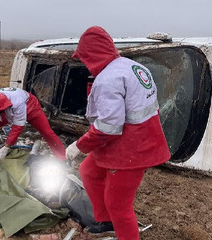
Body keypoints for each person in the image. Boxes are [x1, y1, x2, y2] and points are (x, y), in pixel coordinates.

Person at [65, 26, 171, 240]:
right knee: (89, 170)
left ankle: (119, 225)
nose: (84, 63)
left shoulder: (107, 80)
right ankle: (106, 221)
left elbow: (108, 127)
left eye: (84, 57)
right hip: (141, 138)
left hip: (130, 149)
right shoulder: (132, 67)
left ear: (92, 55)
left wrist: (79, 146)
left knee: (119, 206)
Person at [0, 87, 66, 161]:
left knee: (47, 132)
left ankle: (62, 157)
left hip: (30, 106)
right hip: (5, 110)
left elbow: (17, 127)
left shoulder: (18, 102)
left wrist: (7, 147)